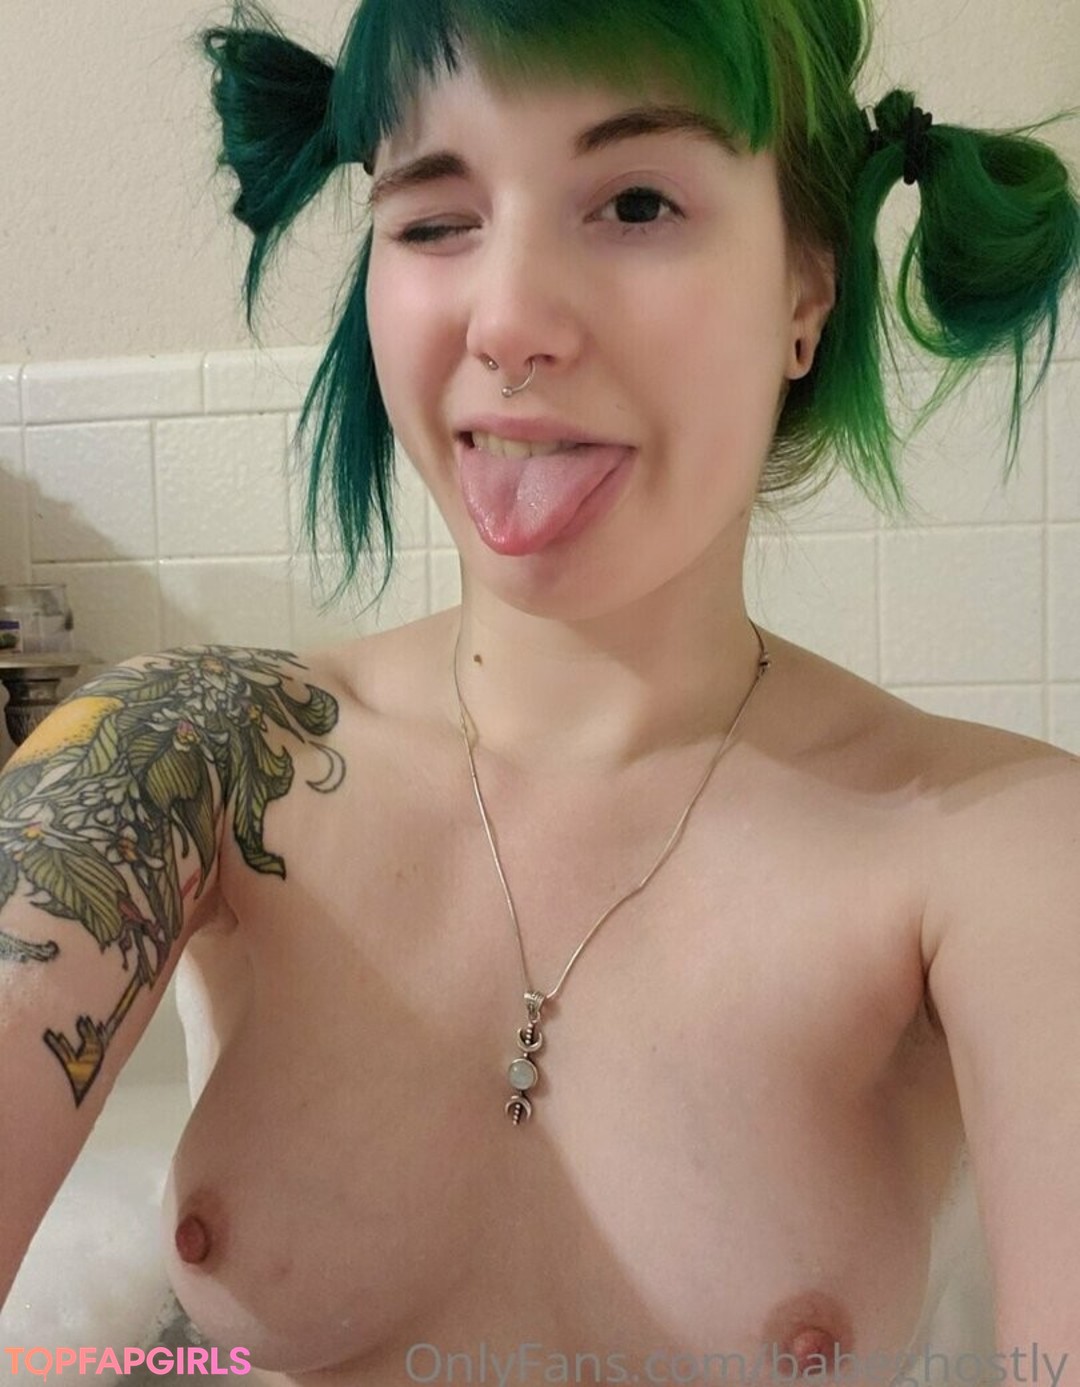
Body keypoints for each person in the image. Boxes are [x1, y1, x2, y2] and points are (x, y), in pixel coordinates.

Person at [2, 0, 1079, 1381]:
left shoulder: (997, 849)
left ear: (806, 290)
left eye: (636, 204)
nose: (507, 324)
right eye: (435, 218)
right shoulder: (186, 757)